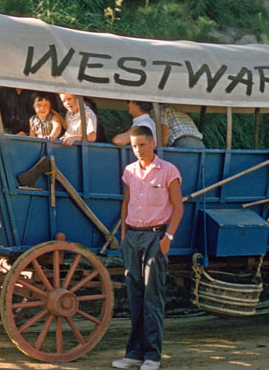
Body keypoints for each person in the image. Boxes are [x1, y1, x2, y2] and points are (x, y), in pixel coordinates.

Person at [113, 126, 183, 370]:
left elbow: (178, 207)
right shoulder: (130, 171)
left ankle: (152, 356)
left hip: (155, 238)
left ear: (153, 143)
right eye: (134, 146)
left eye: (142, 145)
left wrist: (168, 238)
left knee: (152, 297)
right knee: (134, 297)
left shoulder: (168, 171)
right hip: (132, 238)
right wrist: (123, 235)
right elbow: (126, 202)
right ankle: (133, 354)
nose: (138, 150)